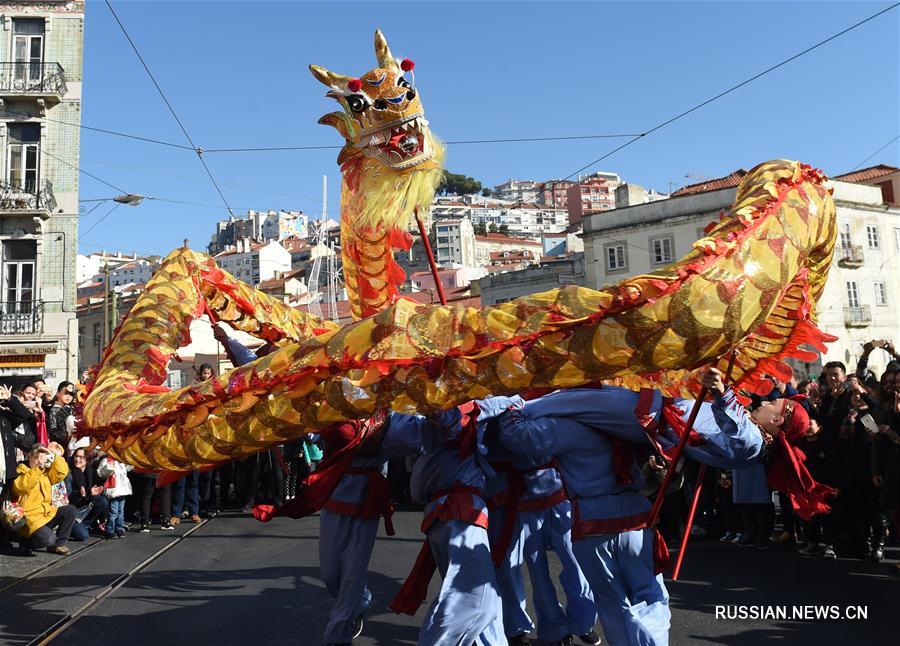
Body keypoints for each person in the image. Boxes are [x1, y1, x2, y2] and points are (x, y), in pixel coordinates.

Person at [495, 368, 767, 646]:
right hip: (631, 520)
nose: (764, 404)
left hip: (596, 524)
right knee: (646, 598)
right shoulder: (628, 419)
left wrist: (511, 402)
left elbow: (518, 435)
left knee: (616, 603)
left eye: (775, 405)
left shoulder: (570, 420)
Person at [390, 400, 511, 646]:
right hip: (457, 513)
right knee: (475, 598)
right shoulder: (440, 414)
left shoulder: (473, 406)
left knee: (485, 601)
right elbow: (449, 420)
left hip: (456, 513)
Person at [12, 442, 77, 554]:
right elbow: (21, 487)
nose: (39, 461)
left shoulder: (46, 473)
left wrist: (53, 455)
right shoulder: (21, 470)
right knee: (49, 540)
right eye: (37, 458)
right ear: (30, 456)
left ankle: (59, 545)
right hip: (30, 518)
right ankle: (26, 542)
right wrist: (37, 468)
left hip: (46, 513)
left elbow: (62, 472)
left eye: (41, 458)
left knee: (70, 510)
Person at [66, 447, 109, 541]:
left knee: (102, 501)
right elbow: (67, 498)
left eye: (81, 457)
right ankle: (76, 526)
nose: (77, 459)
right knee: (83, 536)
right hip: (73, 510)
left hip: (85, 508)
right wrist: (83, 494)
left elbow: (92, 493)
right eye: (76, 456)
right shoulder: (69, 473)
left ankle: (87, 524)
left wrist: (91, 493)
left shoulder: (90, 471)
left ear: (87, 459)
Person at [97, 454, 133, 538]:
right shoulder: (107, 460)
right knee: (114, 512)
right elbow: (100, 473)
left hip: (123, 490)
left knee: (121, 510)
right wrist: (109, 468)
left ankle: (119, 528)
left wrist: (132, 462)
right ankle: (110, 530)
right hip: (113, 490)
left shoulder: (122, 460)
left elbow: (128, 469)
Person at [47, 382, 77, 447]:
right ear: (58, 393)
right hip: (58, 446)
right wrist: (68, 434)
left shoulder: (71, 409)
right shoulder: (53, 410)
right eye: (65, 393)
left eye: (71, 394)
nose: (68, 396)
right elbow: (53, 431)